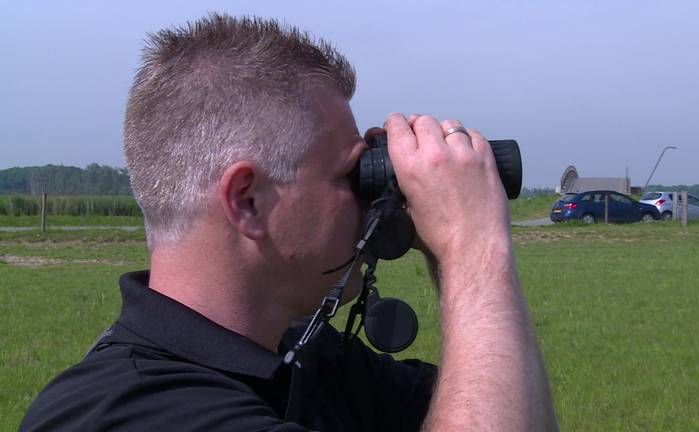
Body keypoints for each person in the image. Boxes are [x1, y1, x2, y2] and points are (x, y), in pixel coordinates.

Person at [20, 13, 558, 431]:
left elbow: (517, 414)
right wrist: (473, 245)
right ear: (249, 201)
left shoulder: (300, 356)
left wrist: (452, 249)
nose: (368, 201)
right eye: (351, 175)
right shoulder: (128, 414)